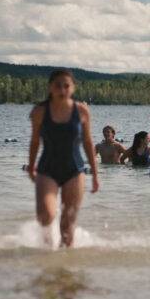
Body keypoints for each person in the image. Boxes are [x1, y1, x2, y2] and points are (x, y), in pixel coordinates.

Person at [27, 69, 99, 248]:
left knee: (67, 226)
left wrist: (95, 175)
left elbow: (88, 142)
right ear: (50, 87)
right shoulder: (39, 112)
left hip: (74, 170)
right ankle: (46, 254)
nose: (62, 89)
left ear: (73, 88)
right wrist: (31, 166)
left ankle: (63, 271)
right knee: (46, 215)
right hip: (47, 170)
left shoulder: (81, 111)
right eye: (57, 85)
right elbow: (35, 141)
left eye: (66, 85)